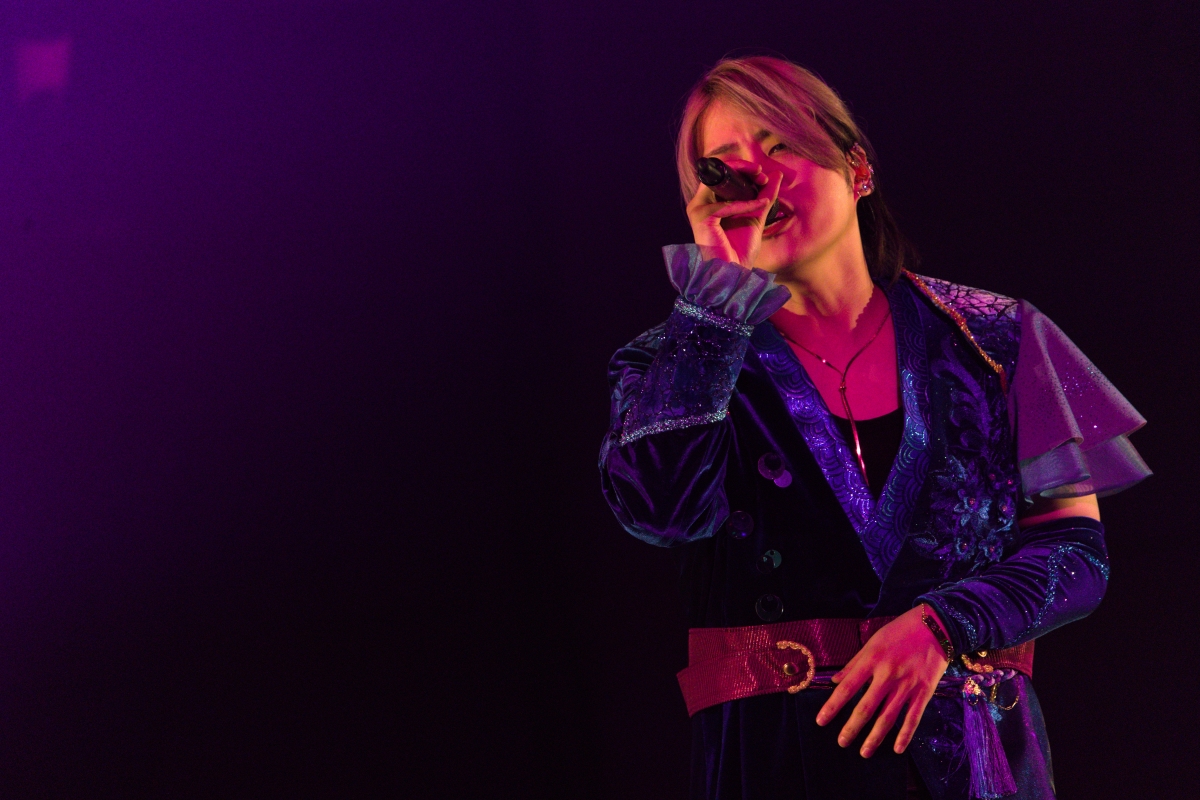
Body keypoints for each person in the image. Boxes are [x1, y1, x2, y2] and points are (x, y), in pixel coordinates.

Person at [598, 55, 1150, 800]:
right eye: (725, 166)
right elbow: (664, 513)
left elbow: (1077, 554)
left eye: (779, 146)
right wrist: (716, 296)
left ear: (856, 169)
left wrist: (943, 624)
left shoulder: (997, 337)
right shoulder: (670, 363)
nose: (756, 180)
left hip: (968, 756)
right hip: (777, 762)